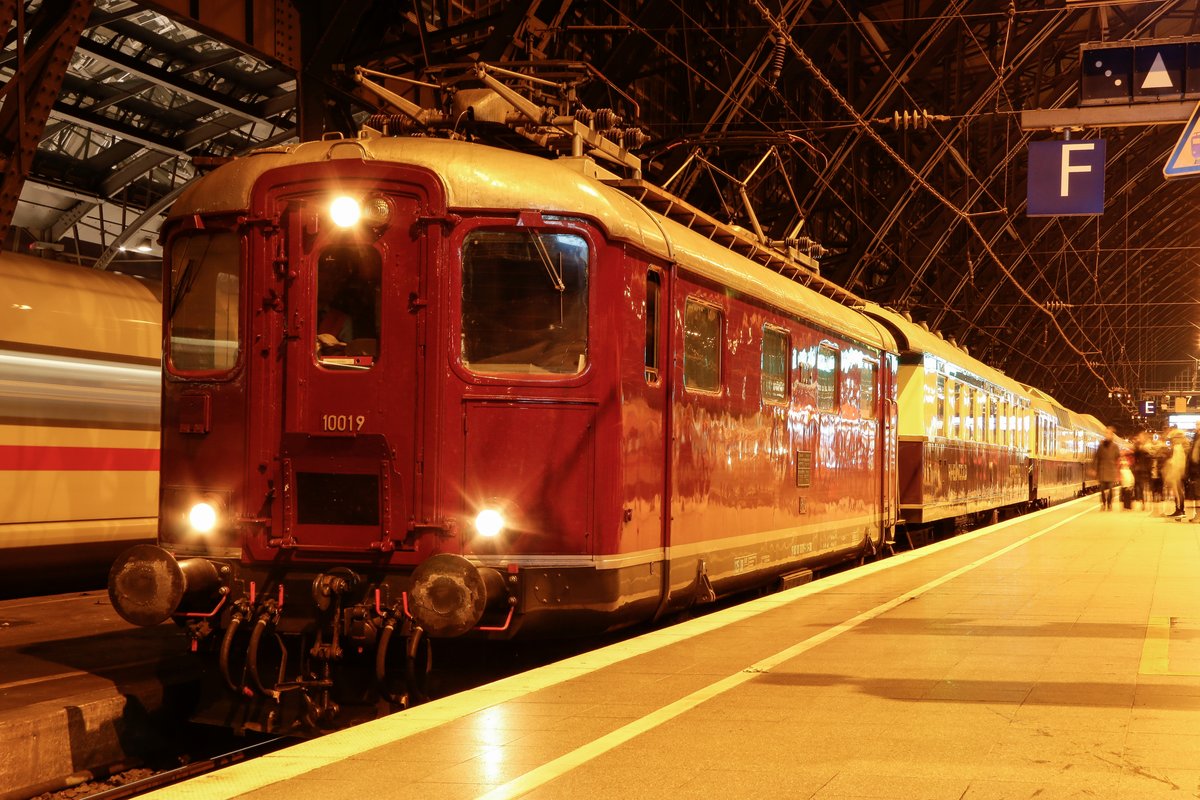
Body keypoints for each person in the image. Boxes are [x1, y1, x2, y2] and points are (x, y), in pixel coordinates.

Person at [1162, 429, 1189, 518]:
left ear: (1178, 438)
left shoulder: (1178, 447)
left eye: (1173, 438)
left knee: (1178, 492)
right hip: (1179, 473)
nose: (1172, 440)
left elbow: (1178, 462)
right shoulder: (1182, 446)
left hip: (1177, 473)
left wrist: (1171, 466)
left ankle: (1180, 510)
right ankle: (1179, 509)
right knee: (1178, 491)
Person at [1093, 426, 1121, 511]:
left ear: (1112, 435)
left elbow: (1118, 458)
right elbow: (1096, 458)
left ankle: (1109, 503)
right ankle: (1103, 503)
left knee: (1110, 489)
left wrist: (1118, 470)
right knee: (1102, 489)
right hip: (1102, 470)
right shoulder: (1101, 446)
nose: (1107, 435)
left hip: (1111, 470)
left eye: (1109, 433)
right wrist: (1095, 469)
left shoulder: (1115, 446)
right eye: (1106, 433)